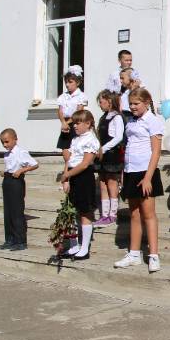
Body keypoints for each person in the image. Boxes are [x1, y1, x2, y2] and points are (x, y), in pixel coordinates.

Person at [115, 88, 165, 273]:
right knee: (134, 213)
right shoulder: (132, 122)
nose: (133, 107)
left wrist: (148, 178)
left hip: (145, 171)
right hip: (130, 170)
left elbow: (156, 151)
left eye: (136, 104)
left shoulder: (153, 121)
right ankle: (134, 253)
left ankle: (153, 255)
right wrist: (123, 173)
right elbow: (129, 147)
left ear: (146, 102)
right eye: (131, 104)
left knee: (148, 214)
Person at [59, 110, 100, 260]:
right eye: (74, 123)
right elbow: (68, 160)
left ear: (88, 124)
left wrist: (67, 175)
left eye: (78, 123)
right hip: (72, 175)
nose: (75, 126)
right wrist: (66, 179)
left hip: (83, 177)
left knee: (84, 212)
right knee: (71, 211)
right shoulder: (76, 139)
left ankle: (84, 248)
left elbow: (84, 164)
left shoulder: (91, 139)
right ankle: (73, 245)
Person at [0, 128, 38, 251]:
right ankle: (10, 239)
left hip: (17, 181)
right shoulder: (7, 154)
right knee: (8, 211)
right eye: (2, 142)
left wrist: (22, 170)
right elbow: (10, 166)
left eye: (7, 142)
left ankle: (20, 241)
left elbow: (35, 164)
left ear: (15, 139)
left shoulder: (21, 152)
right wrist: (5, 173)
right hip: (8, 180)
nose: (5, 145)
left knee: (16, 211)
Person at [94, 89, 125, 227]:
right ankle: (104, 214)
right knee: (102, 183)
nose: (100, 105)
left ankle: (112, 214)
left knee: (112, 183)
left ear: (109, 101)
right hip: (102, 156)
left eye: (101, 102)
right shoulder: (103, 117)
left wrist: (104, 148)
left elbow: (118, 137)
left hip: (112, 154)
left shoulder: (117, 117)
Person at [56, 65, 87, 165]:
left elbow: (78, 111)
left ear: (77, 83)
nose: (67, 85)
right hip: (65, 122)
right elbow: (60, 111)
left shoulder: (81, 96)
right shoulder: (63, 96)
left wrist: (68, 123)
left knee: (76, 148)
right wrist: (63, 123)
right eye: (66, 82)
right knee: (65, 148)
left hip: (75, 122)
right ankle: (68, 166)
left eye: (70, 82)